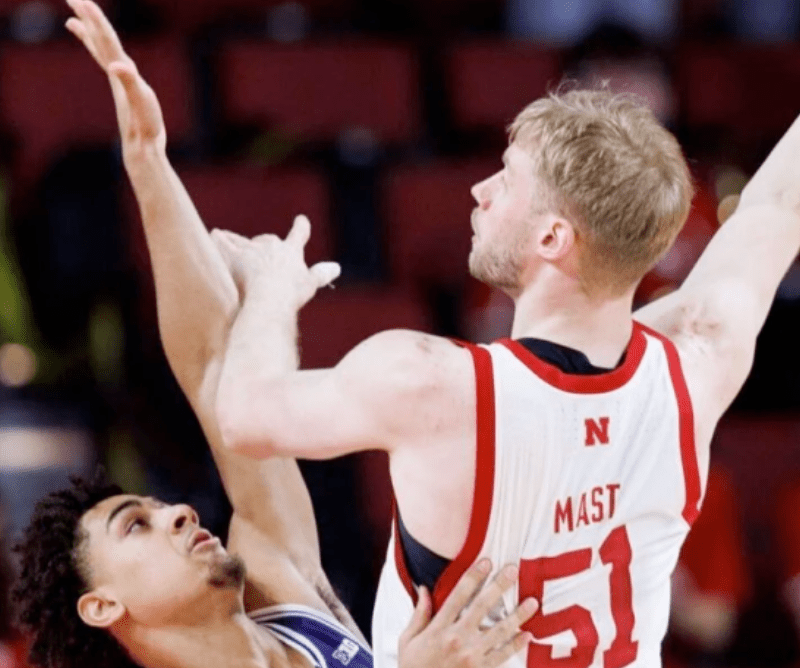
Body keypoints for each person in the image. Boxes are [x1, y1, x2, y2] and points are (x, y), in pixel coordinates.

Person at [211, 25, 800, 668]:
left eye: (507, 178)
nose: (479, 191)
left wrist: (269, 287)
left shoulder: (429, 384)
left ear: (552, 238)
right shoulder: (701, 359)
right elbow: (775, 206)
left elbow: (242, 416)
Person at [10, 3, 538, 668]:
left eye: (153, 507)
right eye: (136, 527)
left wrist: (148, 164)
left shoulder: (281, 590)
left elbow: (213, 368)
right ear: (102, 605)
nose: (178, 513)